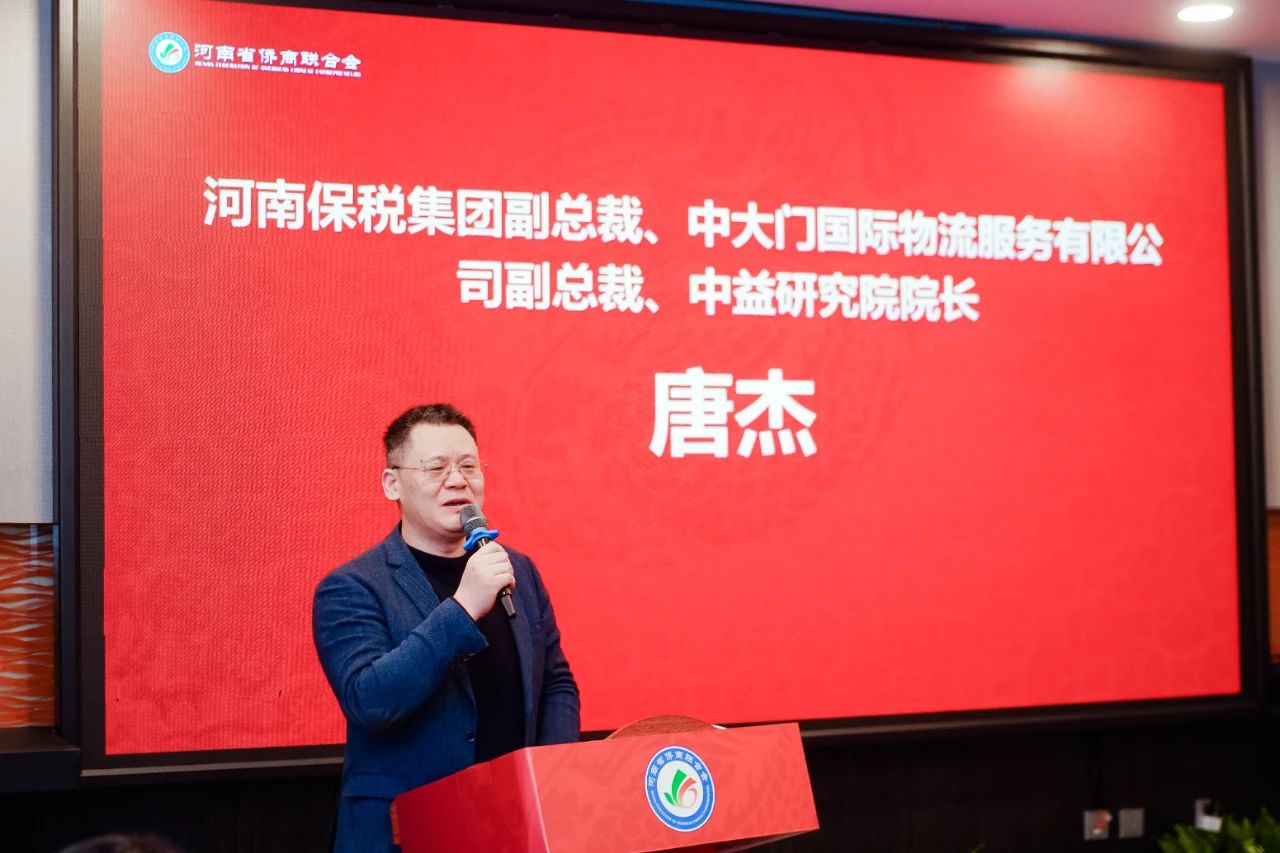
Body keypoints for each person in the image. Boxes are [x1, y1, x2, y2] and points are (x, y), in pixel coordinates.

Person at [313, 403, 580, 852]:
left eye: (468, 466)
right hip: (406, 831)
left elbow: (555, 682)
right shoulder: (352, 587)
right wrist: (463, 607)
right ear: (392, 483)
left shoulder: (517, 570)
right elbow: (370, 701)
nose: (457, 480)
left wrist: (551, 774)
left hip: (513, 826)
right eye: (436, 467)